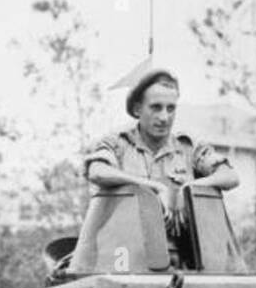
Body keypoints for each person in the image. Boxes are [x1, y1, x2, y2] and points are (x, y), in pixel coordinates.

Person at [83, 69, 239, 254]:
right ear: (137, 109)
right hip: (124, 255)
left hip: (184, 258)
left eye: (170, 108)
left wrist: (189, 189)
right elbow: (97, 171)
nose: (164, 117)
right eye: (156, 107)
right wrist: (155, 187)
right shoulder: (118, 144)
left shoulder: (188, 147)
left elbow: (230, 176)